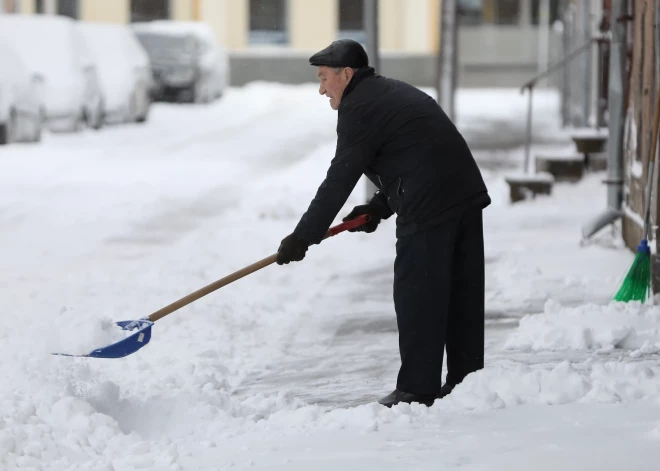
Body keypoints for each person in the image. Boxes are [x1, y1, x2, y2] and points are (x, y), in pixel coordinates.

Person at [276, 39, 490, 408]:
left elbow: (340, 178)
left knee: (418, 294)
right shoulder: (387, 93)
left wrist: (303, 237)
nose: (321, 88)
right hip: (463, 194)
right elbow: (413, 154)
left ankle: (418, 388)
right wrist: (378, 207)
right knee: (459, 293)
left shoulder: (360, 107)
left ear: (347, 74)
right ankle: (466, 381)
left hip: (429, 204)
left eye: (325, 78)